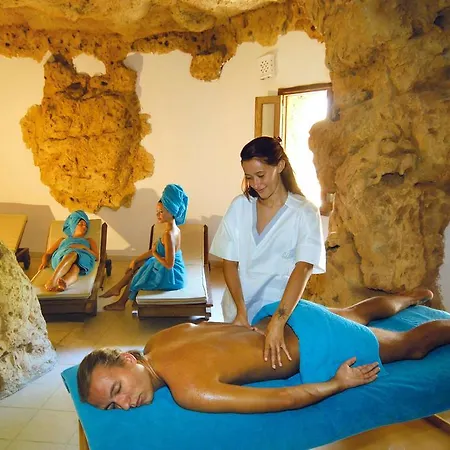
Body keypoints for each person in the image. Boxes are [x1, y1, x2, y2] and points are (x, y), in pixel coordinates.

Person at [78, 288, 450, 414]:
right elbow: (220, 328)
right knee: (355, 313)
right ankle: (408, 297)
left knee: (412, 347)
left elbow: (284, 399)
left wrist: (336, 384)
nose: (125, 404)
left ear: (128, 359)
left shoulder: (188, 390)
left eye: (117, 389)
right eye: (112, 405)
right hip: (282, 317)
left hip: (315, 342)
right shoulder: (158, 341)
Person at [209, 136, 326, 368]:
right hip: (238, 308)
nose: (256, 184)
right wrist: (241, 312)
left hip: (279, 310)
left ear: (280, 166)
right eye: (249, 177)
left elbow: (303, 268)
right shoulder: (240, 207)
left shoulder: (304, 212)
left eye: (261, 175)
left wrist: (278, 322)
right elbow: (229, 262)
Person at [102, 184, 189, 311]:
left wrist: (155, 254)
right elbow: (157, 251)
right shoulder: (175, 229)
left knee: (139, 272)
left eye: (161, 212)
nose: (158, 215)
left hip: (171, 277)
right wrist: (136, 260)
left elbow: (169, 264)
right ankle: (117, 289)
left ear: (171, 212)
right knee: (138, 265)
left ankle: (120, 301)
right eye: (157, 212)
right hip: (172, 270)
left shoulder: (168, 234)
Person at [39, 210, 99, 292]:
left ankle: (62, 282)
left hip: (83, 259)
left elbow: (96, 257)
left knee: (75, 267)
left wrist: (83, 248)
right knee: (72, 255)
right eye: (81, 224)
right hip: (61, 257)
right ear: (73, 225)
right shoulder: (62, 240)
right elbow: (48, 253)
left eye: (86, 226)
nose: (84, 227)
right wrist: (44, 262)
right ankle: (58, 281)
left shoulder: (89, 240)